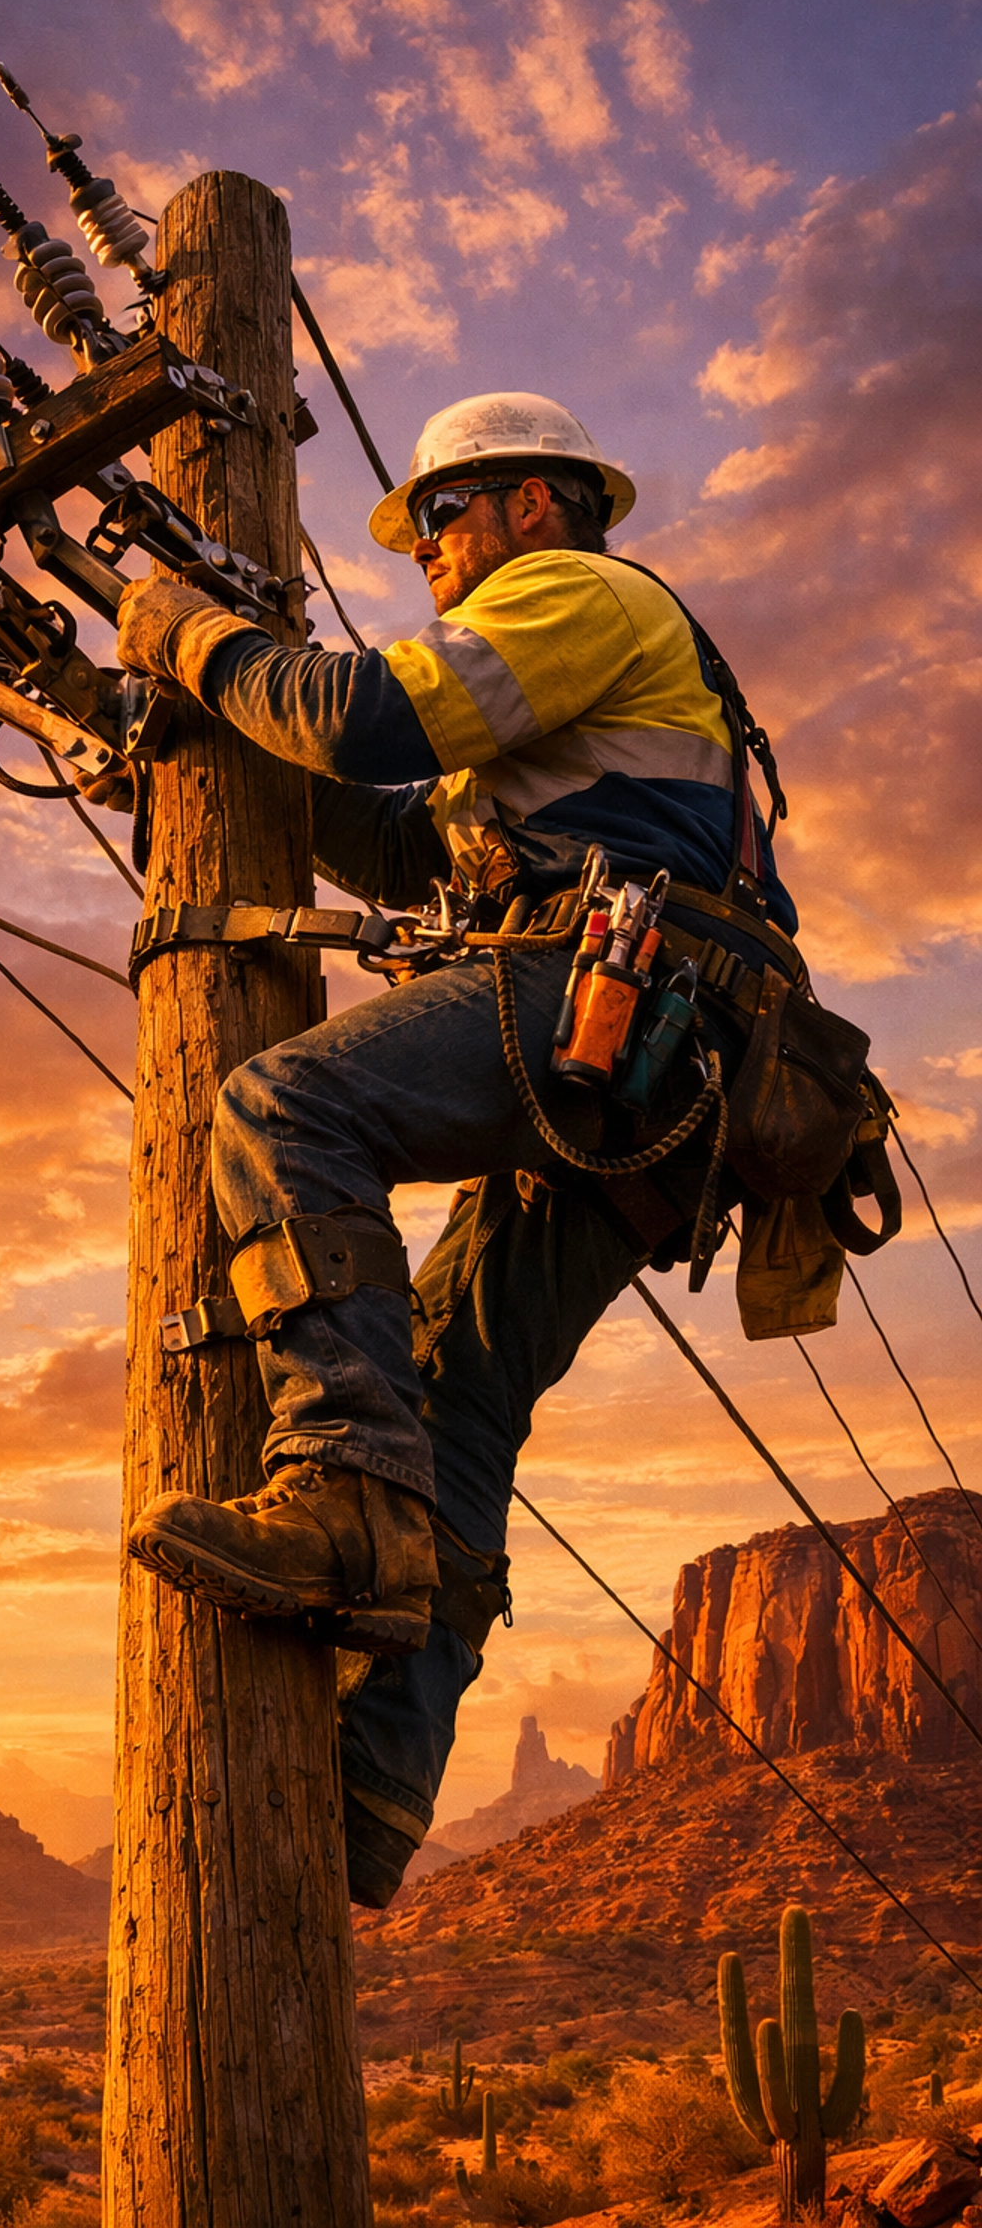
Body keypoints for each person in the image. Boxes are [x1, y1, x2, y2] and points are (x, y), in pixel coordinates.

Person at [111, 392, 801, 1908]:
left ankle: (342, 1489)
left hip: (617, 994)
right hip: (671, 1083)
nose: (426, 548)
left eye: (444, 515)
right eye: (422, 526)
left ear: (538, 502)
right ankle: (377, 1781)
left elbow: (362, 716)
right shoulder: (569, 704)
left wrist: (190, 637)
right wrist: (213, 744)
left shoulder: (576, 593)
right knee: (463, 1400)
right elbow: (409, 840)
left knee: (287, 1111)